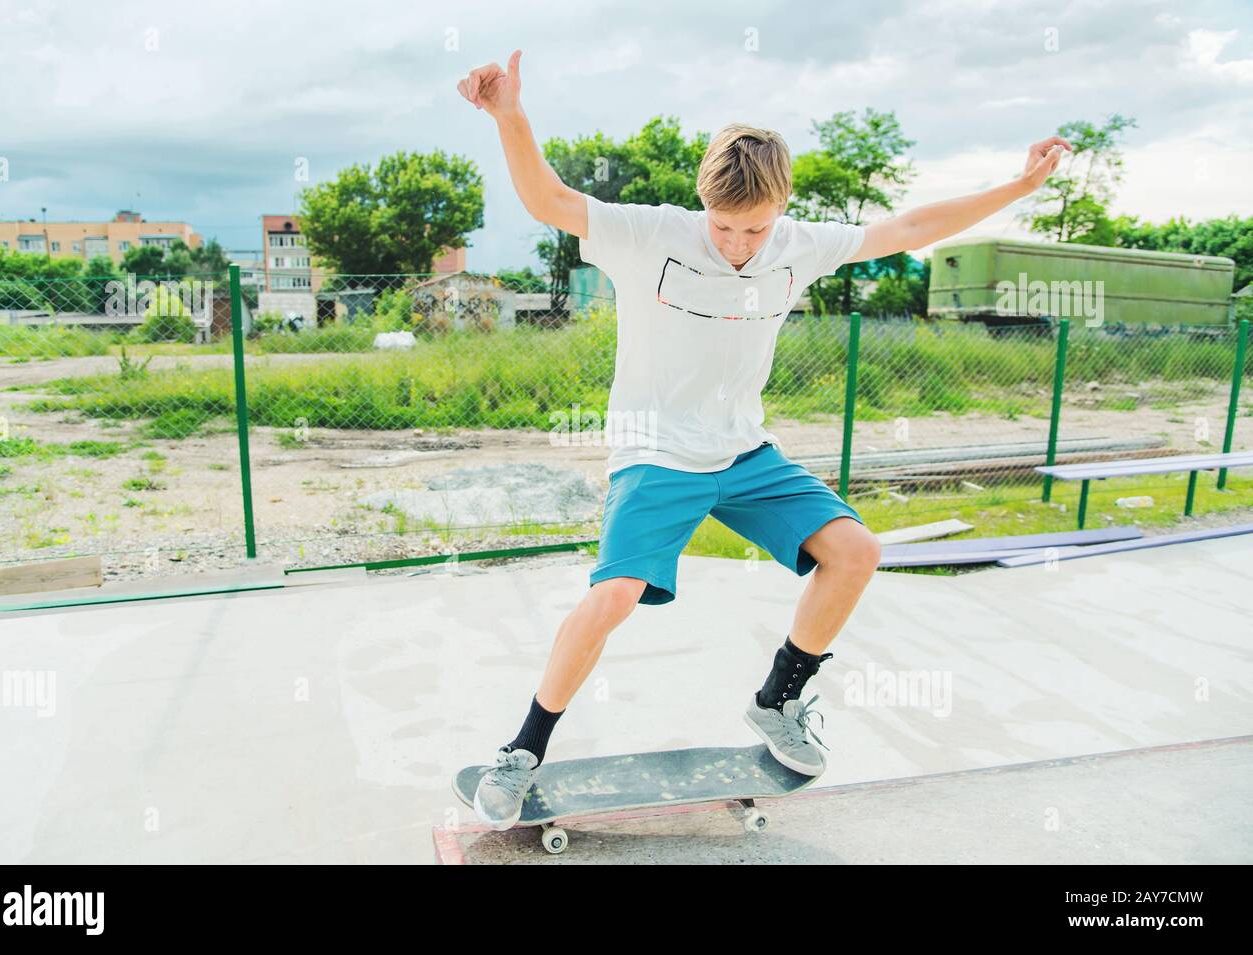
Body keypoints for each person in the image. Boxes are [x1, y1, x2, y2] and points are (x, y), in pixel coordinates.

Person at [457, 50, 1069, 830]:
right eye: (723, 226)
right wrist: (511, 114)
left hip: (745, 453)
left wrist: (1018, 188)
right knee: (611, 596)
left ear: (781, 208)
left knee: (855, 551)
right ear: (701, 203)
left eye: (755, 227)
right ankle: (522, 750)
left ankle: (780, 700)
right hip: (656, 453)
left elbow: (910, 225)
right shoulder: (649, 235)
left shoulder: (798, 245)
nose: (739, 243)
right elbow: (548, 199)